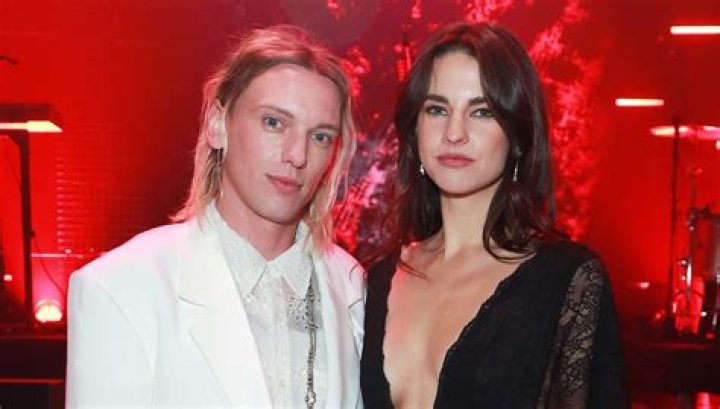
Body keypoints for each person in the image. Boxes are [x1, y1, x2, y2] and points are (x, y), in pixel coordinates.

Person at [66, 25, 365, 408]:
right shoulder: (122, 287)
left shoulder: (353, 287)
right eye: (274, 122)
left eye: (320, 136)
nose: (297, 155)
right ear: (216, 125)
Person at [360, 22, 626, 408]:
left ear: (517, 136)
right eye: (437, 109)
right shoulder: (376, 281)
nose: (454, 133)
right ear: (415, 131)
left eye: (482, 111)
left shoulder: (567, 281)